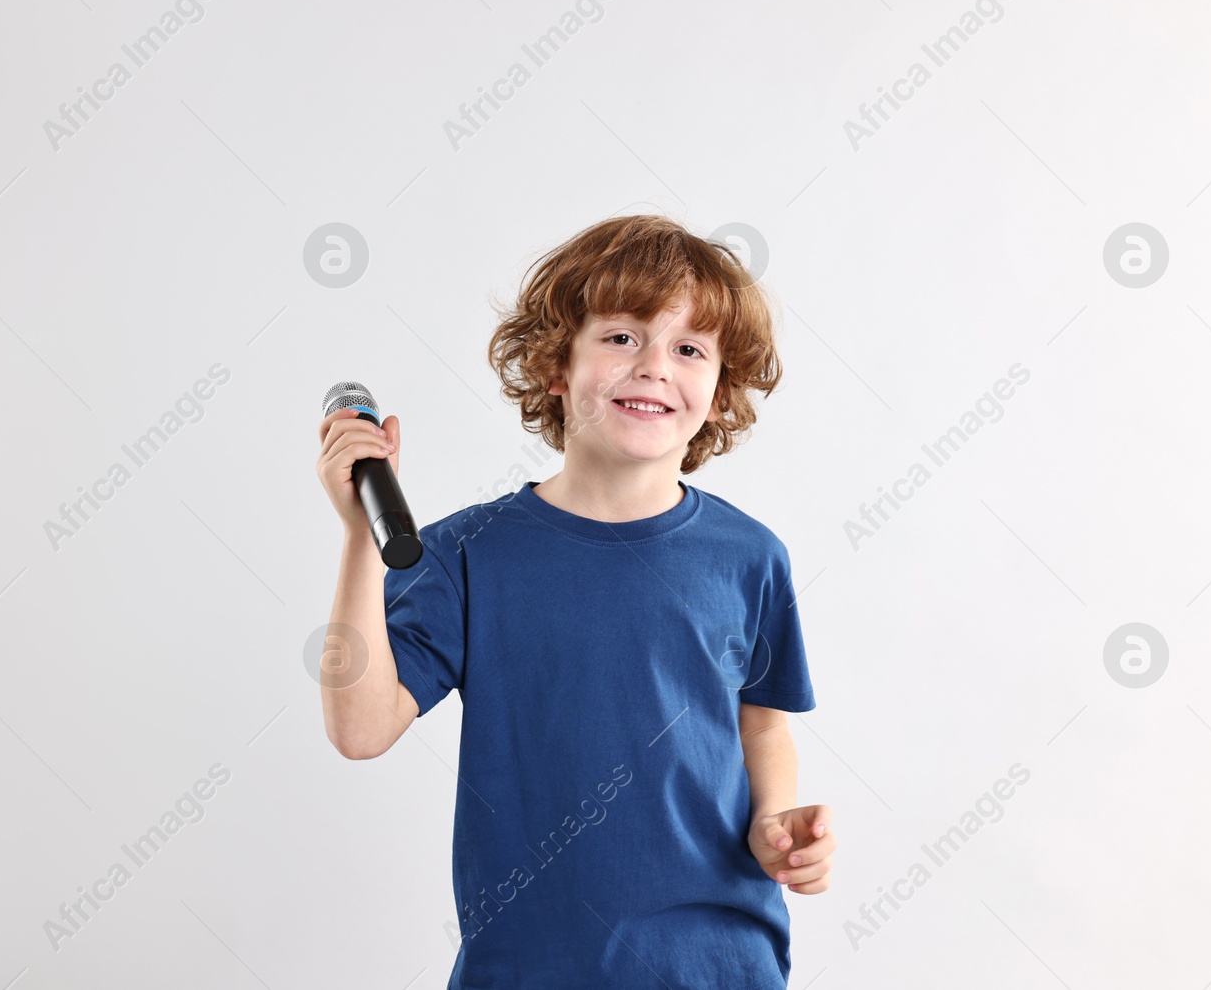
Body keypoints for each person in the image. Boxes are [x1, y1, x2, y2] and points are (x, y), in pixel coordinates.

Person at [315, 214, 835, 988]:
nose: (654, 366)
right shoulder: (466, 553)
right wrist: (361, 536)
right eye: (622, 337)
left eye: (688, 348)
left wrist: (773, 821)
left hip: (720, 964)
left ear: (719, 395)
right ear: (557, 366)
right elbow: (360, 727)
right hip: (529, 970)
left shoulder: (750, 556)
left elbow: (761, 719)